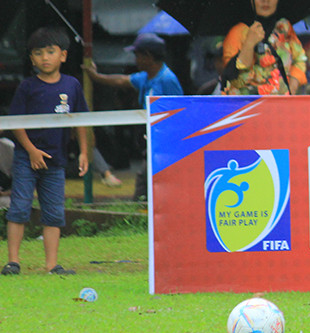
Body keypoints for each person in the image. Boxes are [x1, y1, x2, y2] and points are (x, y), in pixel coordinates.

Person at [2, 27, 89, 276]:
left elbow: (80, 119)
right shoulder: (27, 87)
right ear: (31, 59)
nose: (45, 58)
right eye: (38, 53)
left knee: (54, 213)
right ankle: (13, 262)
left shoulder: (72, 85)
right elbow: (15, 123)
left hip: (56, 161)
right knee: (19, 207)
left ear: (62, 55)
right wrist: (31, 151)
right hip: (25, 158)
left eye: (50, 52)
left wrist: (84, 152)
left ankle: (52, 265)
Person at [84, 32, 183, 200]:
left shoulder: (167, 79)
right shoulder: (146, 77)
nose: (135, 60)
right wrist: (96, 77)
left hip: (163, 140)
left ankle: (140, 209)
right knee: (146, 178)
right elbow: (122, 81)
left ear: (148, 56)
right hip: (149, 138)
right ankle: (141, 208)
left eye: (137, 55)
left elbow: (179, 111)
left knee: (148, 180)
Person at [220, 0, 308, 95]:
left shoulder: (284, 27)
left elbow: (299, 60)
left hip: (281, 107)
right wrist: (249, 43)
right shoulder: (237, 32)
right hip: (246, 108)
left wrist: (291, 88)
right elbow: (234, 78)